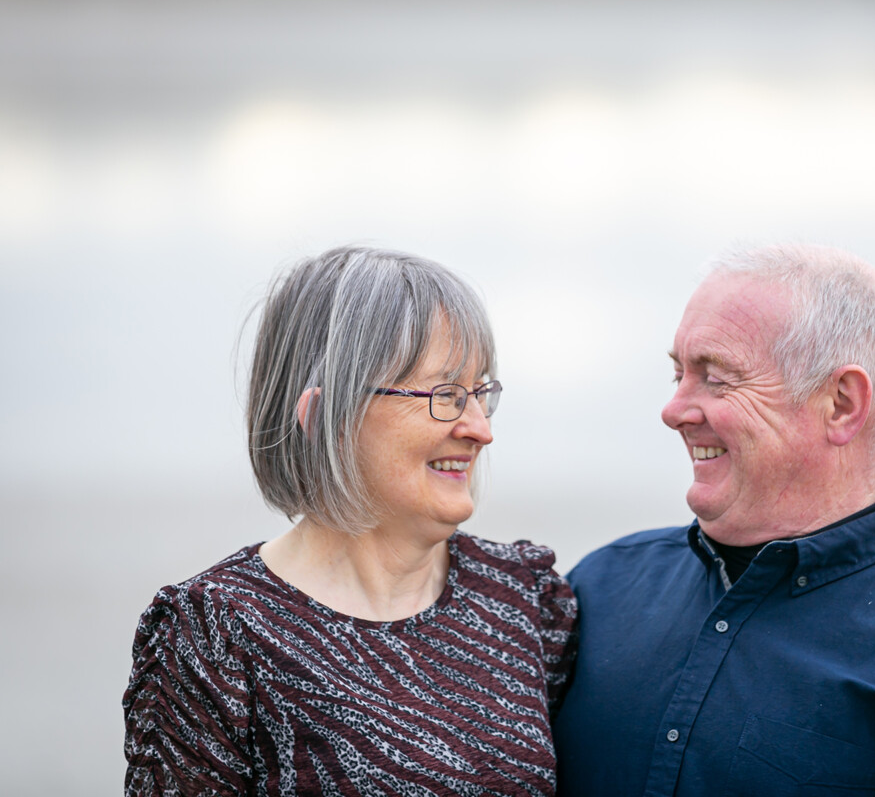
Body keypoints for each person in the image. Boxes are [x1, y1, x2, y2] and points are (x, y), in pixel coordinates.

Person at [553, 243, 875, 796]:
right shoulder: (599, 590)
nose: (673, 410)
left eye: (716, 377)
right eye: (679, 374)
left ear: (841, 404)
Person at [123, 246, 577, 796]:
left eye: (480, 392)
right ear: (325, 417)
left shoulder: (521, 595)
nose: (481, 429)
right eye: (445, 395)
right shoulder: (219, 633)